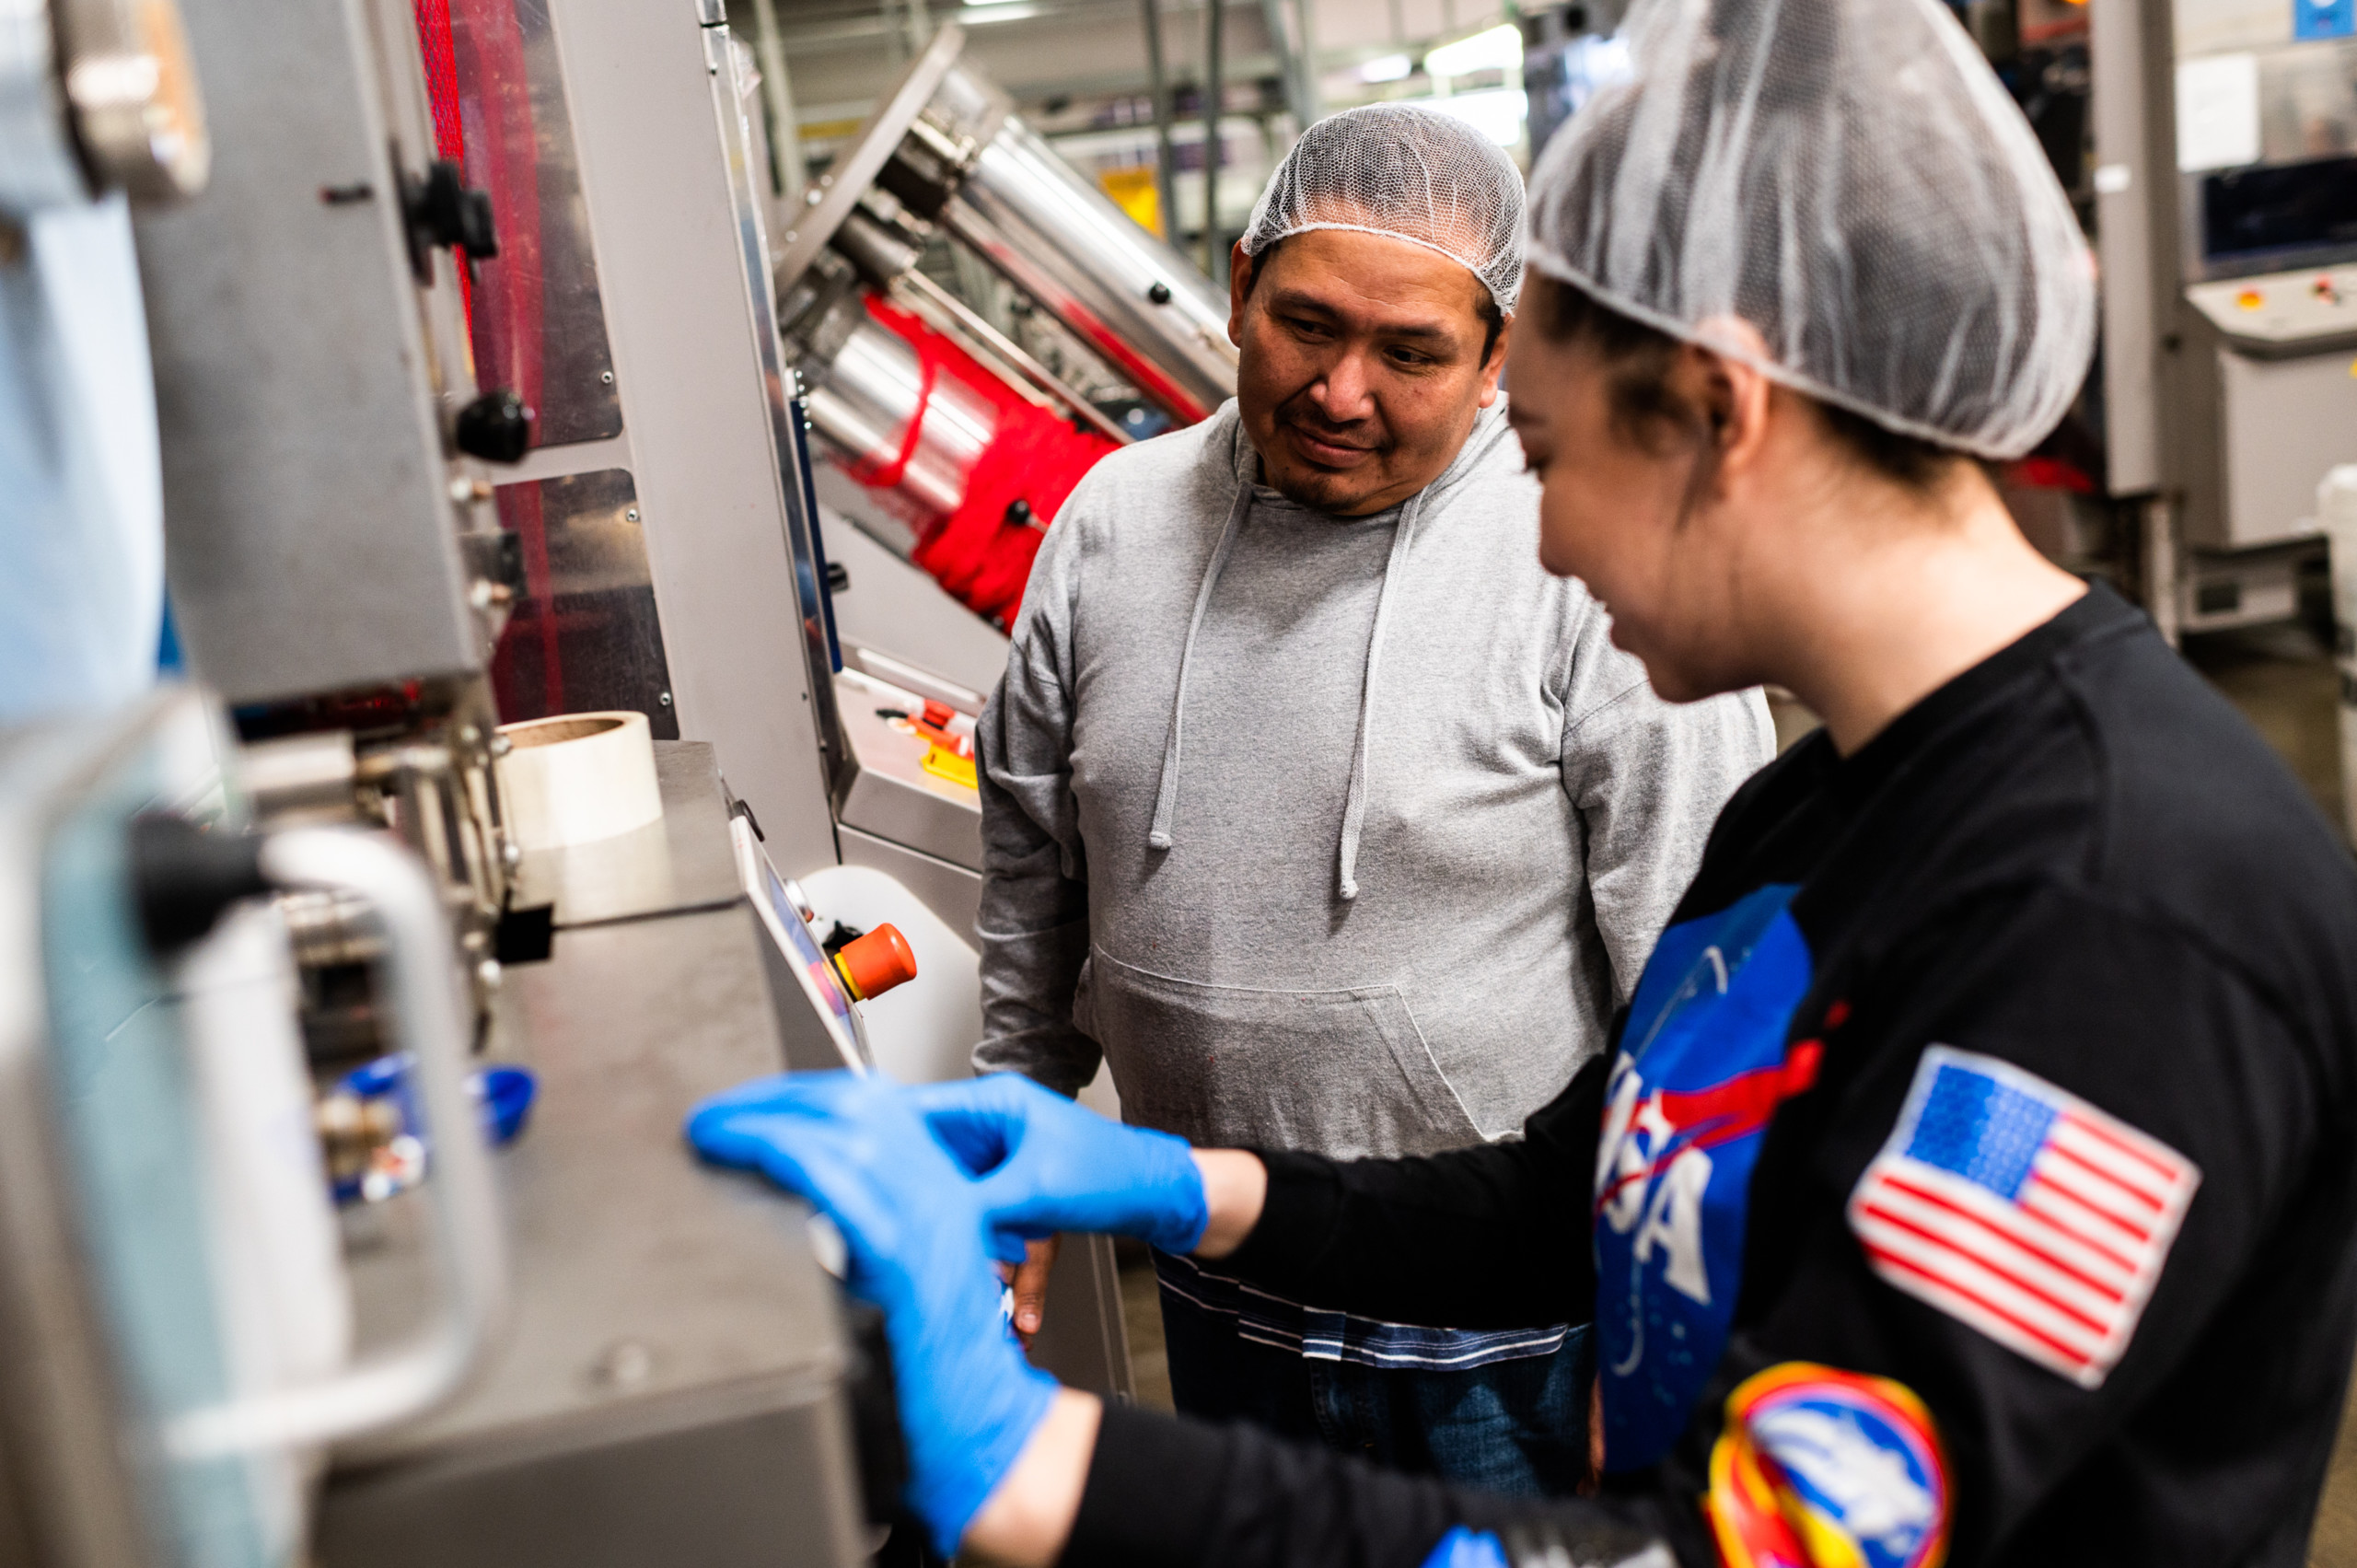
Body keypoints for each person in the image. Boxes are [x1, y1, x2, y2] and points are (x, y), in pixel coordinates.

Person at [688, 1, 2357, 1564]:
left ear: (1720, 415)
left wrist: (1040, 1470)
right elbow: (1578, 1185)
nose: (1539, 531)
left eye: (1542, 454)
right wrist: (1182, 1183)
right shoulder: (1822, 813)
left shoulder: (2124, 909)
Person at [972, 101, 1771, 1491]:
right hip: (1220, 1296)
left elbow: (1713, 980)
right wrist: (1006, 1151)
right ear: (1235, 290)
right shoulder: (1111, 525)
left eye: (1411, 354)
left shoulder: (1585, 558)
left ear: (1497, 355)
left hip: (1514, 1344)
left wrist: (1688, 1329)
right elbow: (1033, 873)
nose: (1342, 392)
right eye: (1307, 325)